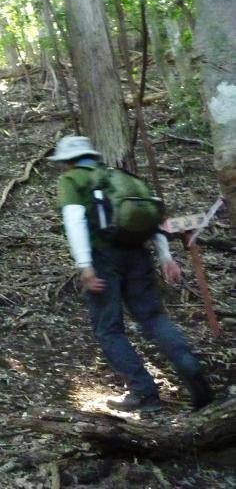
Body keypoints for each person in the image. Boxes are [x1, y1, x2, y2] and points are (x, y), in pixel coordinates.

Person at [51, 135, 213, 412]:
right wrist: (166, 257)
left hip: (102, 259)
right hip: (138, 255)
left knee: (108, 328)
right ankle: (190, 368)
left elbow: (74, 220)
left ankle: (144, 394)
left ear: (67, 161)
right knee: (153, 317)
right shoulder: (125, 178)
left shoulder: (73, 180)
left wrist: (84, 265)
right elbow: (155, 220)